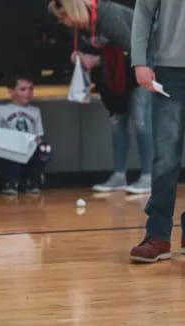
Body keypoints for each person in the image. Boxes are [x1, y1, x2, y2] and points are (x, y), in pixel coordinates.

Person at [49, 0, 153, 194]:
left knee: (141, 121)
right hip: (114, 74)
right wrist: (80, 56)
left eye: (63, 16)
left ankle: (149, 176)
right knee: (117, 121)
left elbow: (135, 49)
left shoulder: (109, 16)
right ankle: (119, 175)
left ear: (74, 11)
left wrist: (99, 60)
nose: (61, 21)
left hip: (143, 66)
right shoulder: (79, 26)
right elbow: (91, 48)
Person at [129, 0, 185, 263]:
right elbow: (143, 12)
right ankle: (158, 235)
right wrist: (139, 60)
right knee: (165, 158)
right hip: (170, 70)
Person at [0, 74, 51, 194]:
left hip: (29, 148)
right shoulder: (2, 110)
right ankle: (11, 181)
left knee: (46, 149)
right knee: (10, 150)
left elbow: (38, 135)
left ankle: (31, 180)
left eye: (31, 89)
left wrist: (36, 141)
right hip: (10, 148)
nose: (28, 93)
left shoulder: (35, 111)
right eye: (23, 89)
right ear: (11, 91)